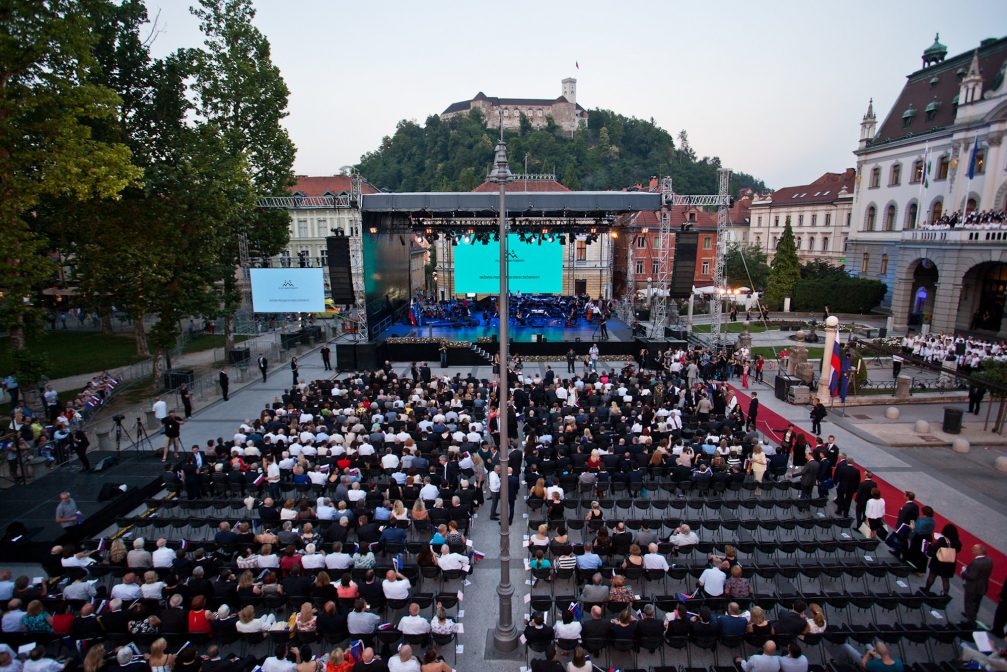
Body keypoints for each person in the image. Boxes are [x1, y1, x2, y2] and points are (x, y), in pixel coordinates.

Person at [962, 544, 993, 623]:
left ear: (979, 551)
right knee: (977, 603)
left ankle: (970, 621)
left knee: (969, 603)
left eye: (974, 549)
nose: (972, 549)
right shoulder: (989, 560)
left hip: (972, 587)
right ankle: (973, 615)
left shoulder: (976, 563)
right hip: (982, 586)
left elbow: (971, 576)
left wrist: (964, 572)